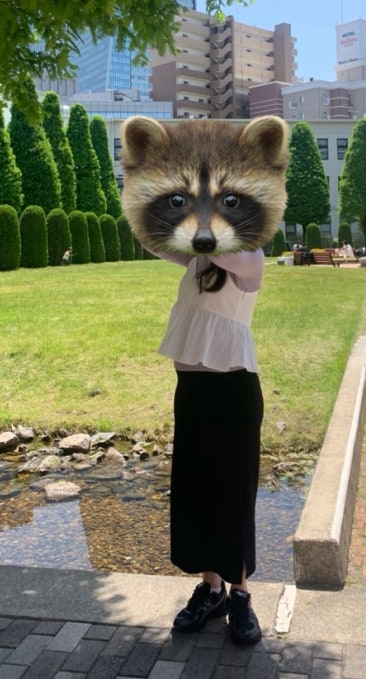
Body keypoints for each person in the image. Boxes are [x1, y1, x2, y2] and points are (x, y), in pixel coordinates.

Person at [154, 247, 266, 645]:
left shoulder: (250, 256)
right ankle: (212, 589)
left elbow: (219, 249)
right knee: (197, 490)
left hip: (233, 394)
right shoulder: (197, 258)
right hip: (193, 392)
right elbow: (152, 239)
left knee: (233, 496)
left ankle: (240, 595)